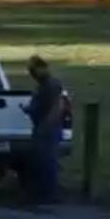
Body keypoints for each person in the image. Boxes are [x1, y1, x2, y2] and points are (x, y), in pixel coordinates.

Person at [23, 55, 67, 205]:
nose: (32, 74)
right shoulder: (42, 85)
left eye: (33, 70)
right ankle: (41, 192)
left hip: (48, 129)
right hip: (41, 127)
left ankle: (50, 194)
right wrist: (29, 109)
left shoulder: (52, 85)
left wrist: (46, 125)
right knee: (41, 161)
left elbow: (57, 107)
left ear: (42, 68)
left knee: (48, 162)